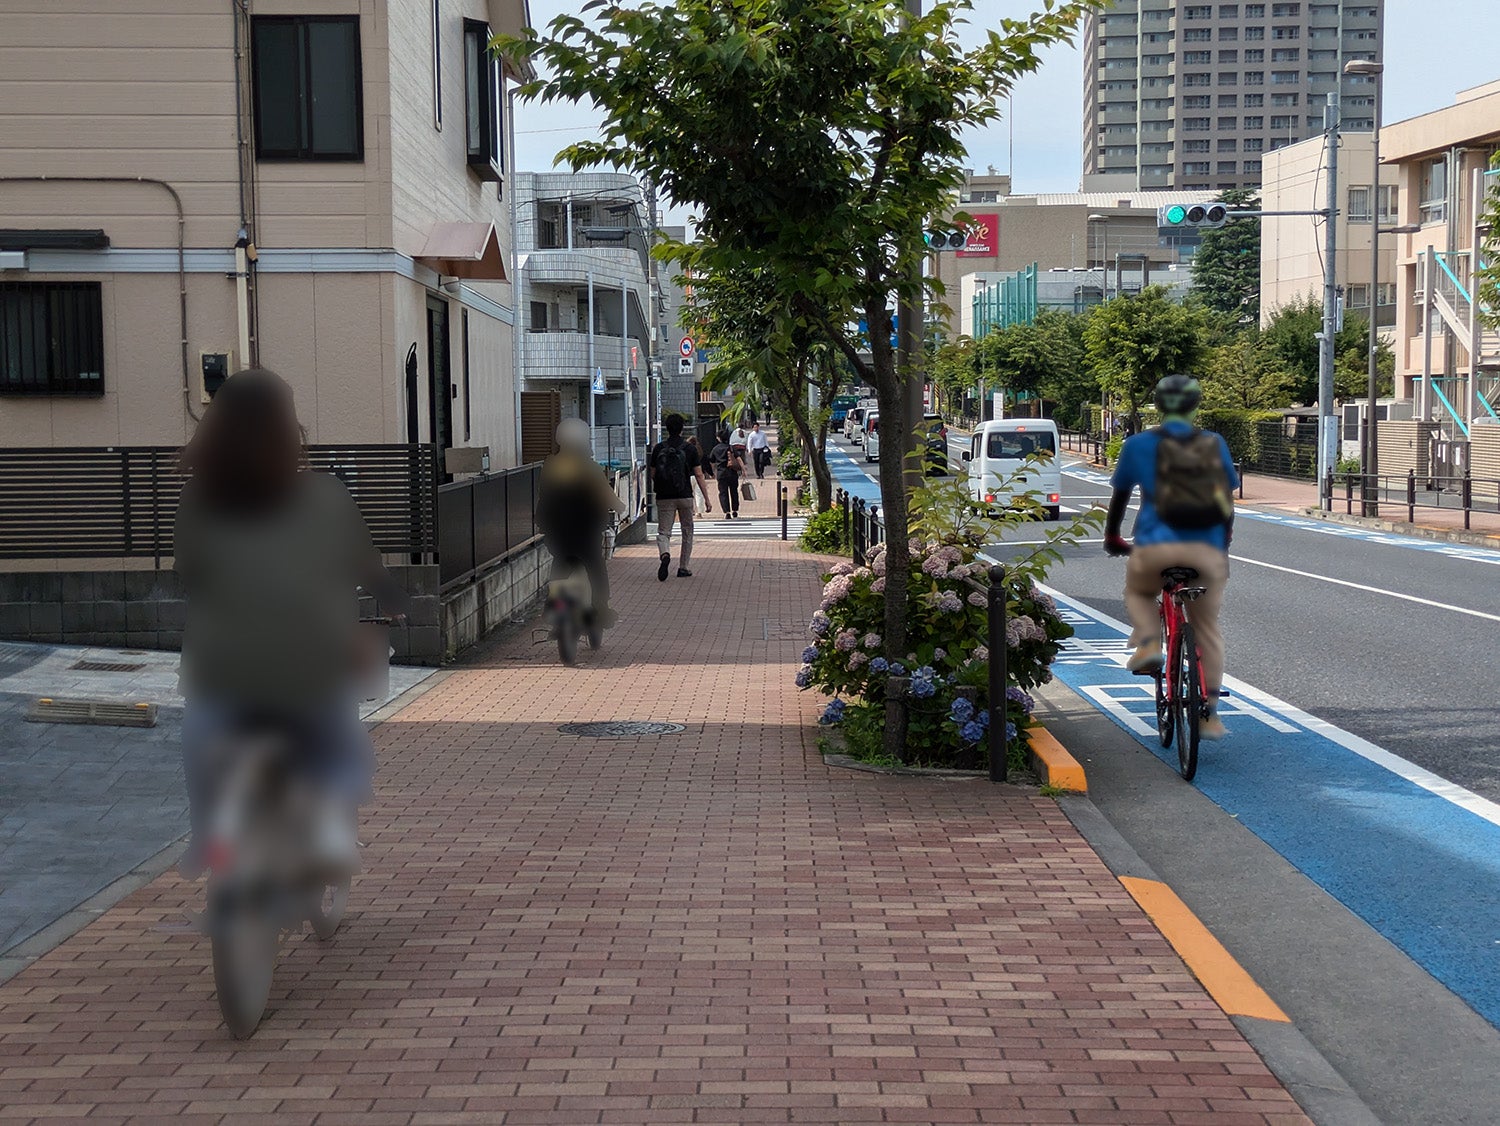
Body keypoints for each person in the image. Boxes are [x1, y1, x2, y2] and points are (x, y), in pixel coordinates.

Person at [172, 368, 411, 877]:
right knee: (338, 739)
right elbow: (364, 563)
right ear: (288, 429)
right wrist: (393, 600)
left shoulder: (196, 500)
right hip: (311, 664)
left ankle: (210, 834)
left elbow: (189, 574)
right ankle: (328, 831)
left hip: (222, 669)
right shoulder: (325, 494)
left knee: (201, 742)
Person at [1103, 374, 1239, 741]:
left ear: (1158, 405)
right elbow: (1226, 502)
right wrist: (1222, 543)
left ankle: (1149, 643)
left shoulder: (1137, 445)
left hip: (1153, 547)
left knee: (1139, 590)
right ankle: (1208, 713)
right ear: (1195, 405)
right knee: (1207, 629)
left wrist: (1113, 536)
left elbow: (1120, 498)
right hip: (1206, 551)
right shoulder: (1214, 443)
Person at [537, 418, 627, 627]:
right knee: (595, 566)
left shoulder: (549, 465)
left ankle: (553, 604)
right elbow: (604, 494)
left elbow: (543, 494)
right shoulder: (589, 467)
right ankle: (600, 609)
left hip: (556, 528)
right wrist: (621, 507)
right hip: (586, 528)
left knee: (560, 560)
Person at [652, 413, 713, 580]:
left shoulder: (658, 448)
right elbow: (699, 475)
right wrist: (706, 499)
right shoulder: (690, 449)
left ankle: (665, 553)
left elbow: (653, 473)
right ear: (682, 429)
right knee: (687, 531)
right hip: (685, 495)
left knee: (664, 531)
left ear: (667, 428)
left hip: (664, 496)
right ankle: (683, 567)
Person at [709, 428, 745, 520]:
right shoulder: (731, 447)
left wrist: (712, 473)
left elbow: (712, 462)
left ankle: (727, 512)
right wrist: (743, 470)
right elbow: (738, 458)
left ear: (719, 438)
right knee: (734, 491)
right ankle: (735, 510)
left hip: (721, 473)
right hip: (732, 472)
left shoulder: (715, 449)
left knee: (723, 493)